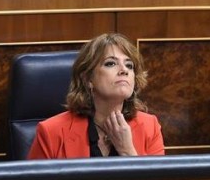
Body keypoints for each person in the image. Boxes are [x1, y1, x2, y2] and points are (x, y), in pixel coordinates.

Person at [28, 33, 165, 159]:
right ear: (88, 79)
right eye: (111, 63)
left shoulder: (150, 127)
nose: (124, 70)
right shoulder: (51, 131)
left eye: (129, 65)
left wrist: (127, 150)